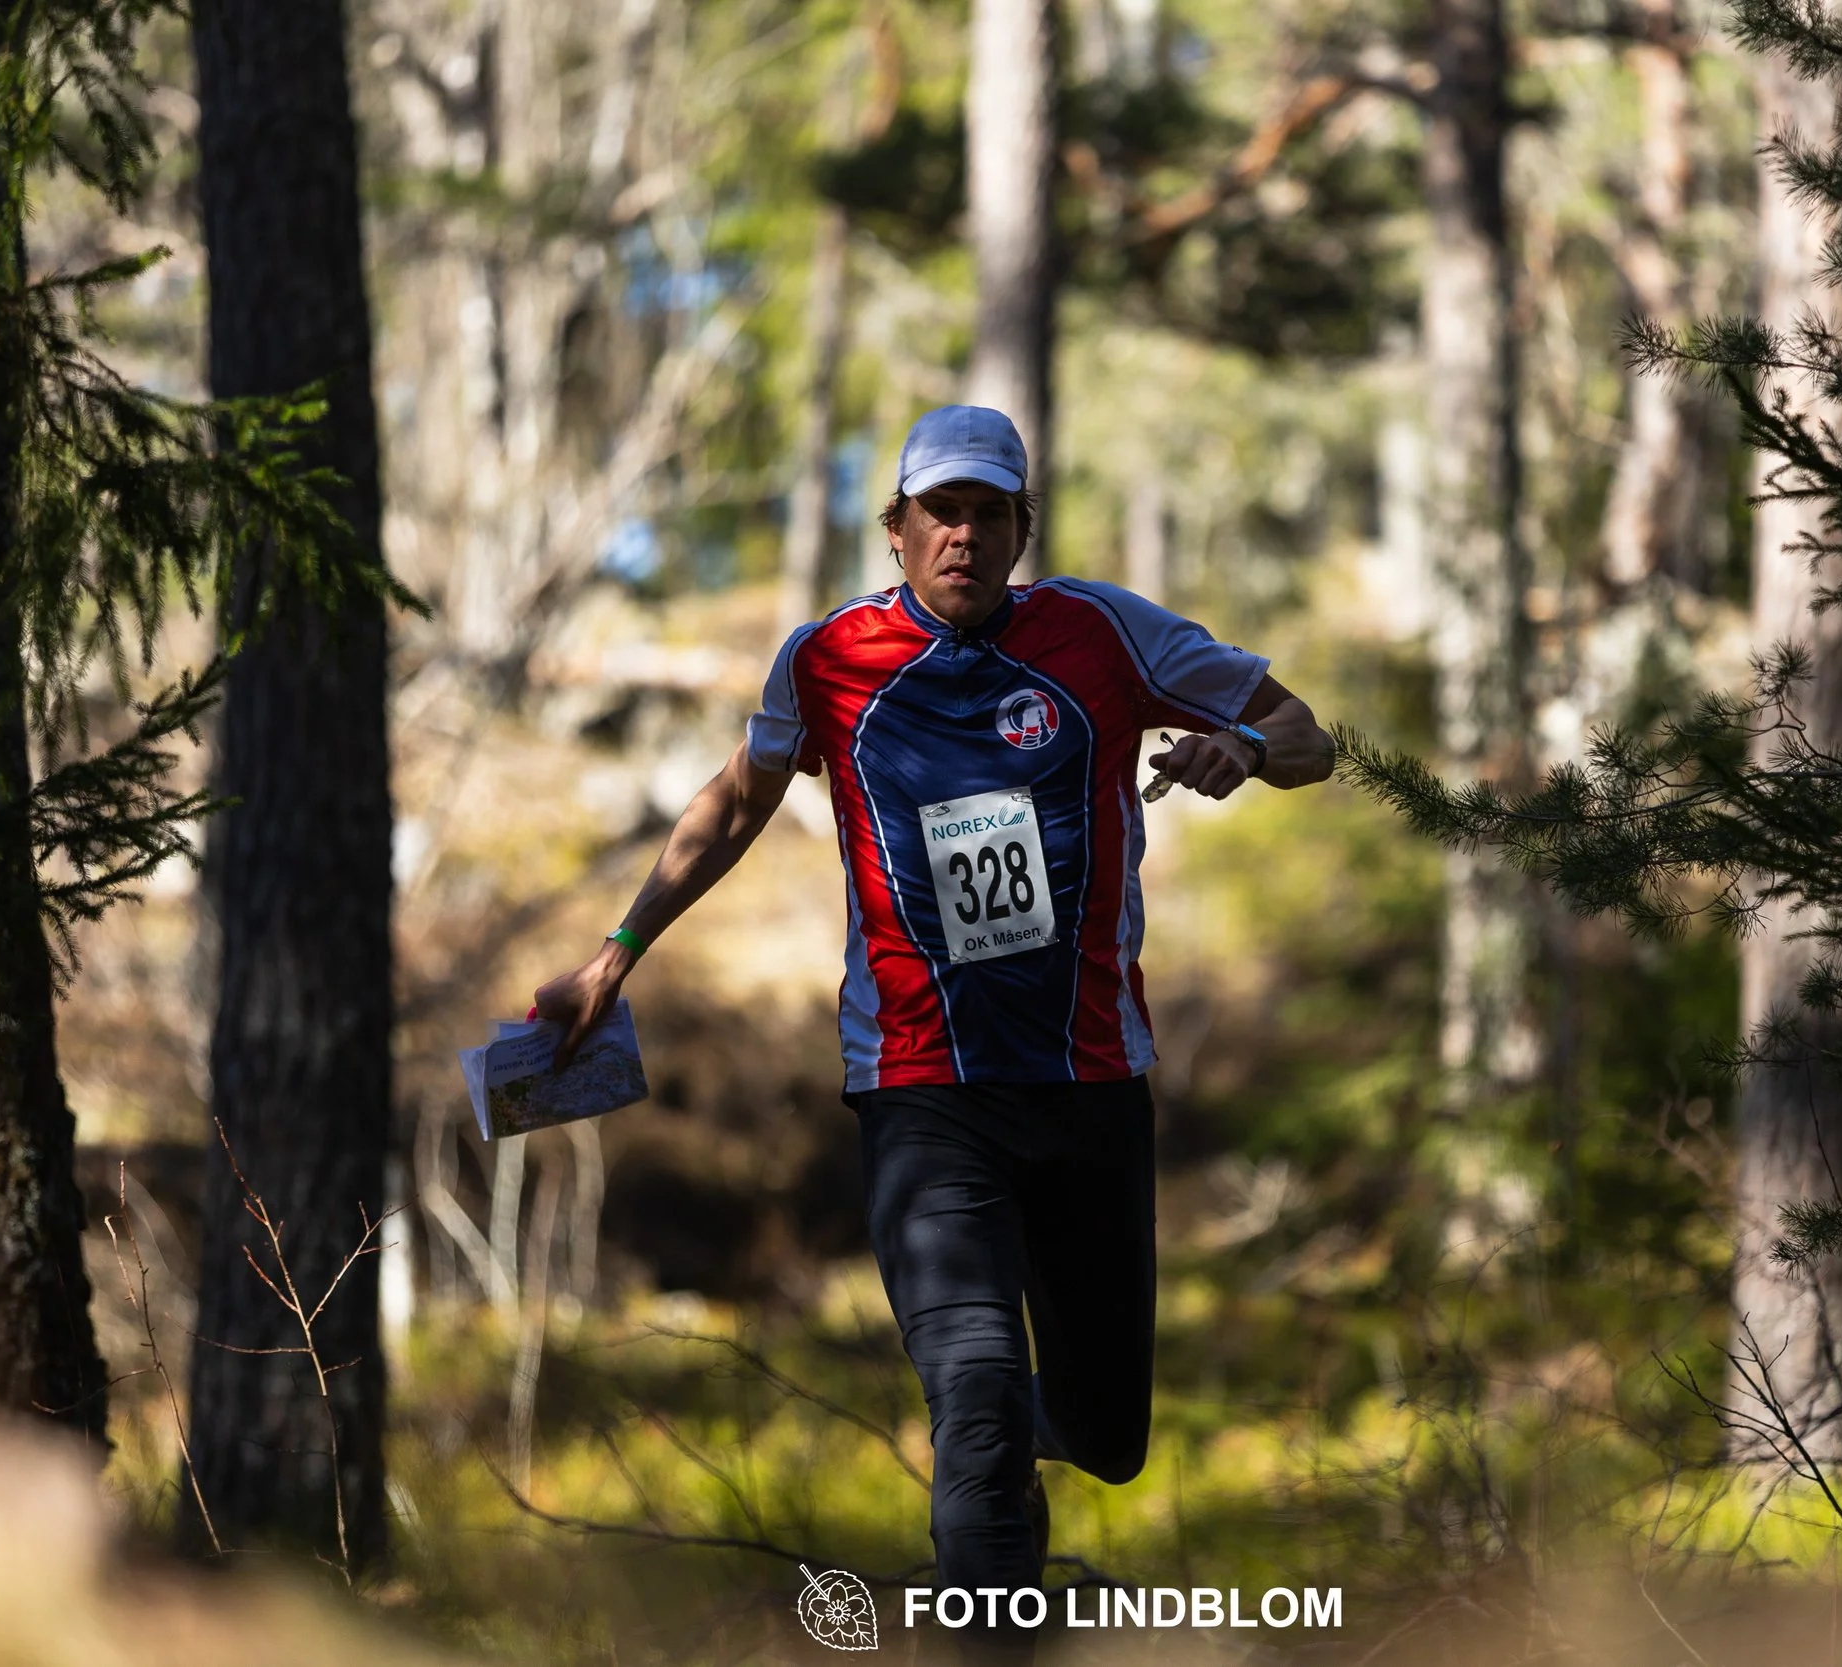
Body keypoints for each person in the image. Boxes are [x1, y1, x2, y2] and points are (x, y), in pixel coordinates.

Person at [532, 405, 1335, 1652]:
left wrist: (1239, 745)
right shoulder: (828, 659)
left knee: (1107, 1431)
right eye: (939, 512)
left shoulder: (1104, 634)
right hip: (921, 1090)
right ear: (895, 528)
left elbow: (1307, 734)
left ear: (1022, 529)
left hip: (1089, 1082)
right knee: (971, 1390)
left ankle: (1017, 1461)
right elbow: (736, 800)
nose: (963, 535)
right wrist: (614, 955)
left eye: (989, 513)